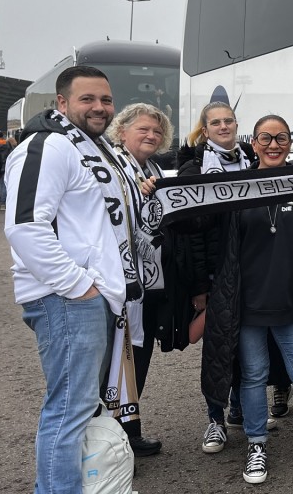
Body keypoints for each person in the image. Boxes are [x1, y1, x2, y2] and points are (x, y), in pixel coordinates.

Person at [5, 65, 140, 494]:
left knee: (80, 409)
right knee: (69, 410)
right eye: (87, 99)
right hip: (66, 299)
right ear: (61, 103)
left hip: (89, 298)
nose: (99, 107)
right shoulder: (48, 146)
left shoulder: (94, 149)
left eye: (105, 99)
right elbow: (25, 225)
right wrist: (80, 285)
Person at [202, 114, 293, 484]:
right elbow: (198, 224)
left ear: (291, 143)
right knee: (253, 376)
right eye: (265, 138)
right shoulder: (235, 188)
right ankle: (256, 444)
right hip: (246, 305)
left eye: (281, 138)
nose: (273, 145)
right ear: (253, 144)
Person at [175, 102, 284, 452]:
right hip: (212, 274)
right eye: (215, 123)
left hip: (246, 271)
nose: (223, 126)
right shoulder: (193, 168)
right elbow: (189, 235)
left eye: (228, 121)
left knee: (245, 347)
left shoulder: (250, 165)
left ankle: (238, 410)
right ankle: (214, 421)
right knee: (217, 351)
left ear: (237, 125)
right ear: (205, 130)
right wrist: (200, 286)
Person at [106, 103, 175, 457]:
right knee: (119, 363)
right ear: (122, 132)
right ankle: (111, 445)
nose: (151, 136)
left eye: (157, 132)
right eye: (143, 129)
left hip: (147, 283)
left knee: (138, 358)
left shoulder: (152, 167)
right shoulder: (114, 168)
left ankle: (129, 434)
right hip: (120, 282)